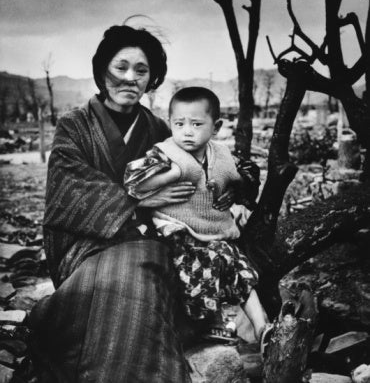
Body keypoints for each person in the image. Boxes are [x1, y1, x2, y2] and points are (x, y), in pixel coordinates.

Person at [28, 25, 234, 382]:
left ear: (152, 78)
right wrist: (140, 199)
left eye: (142, 70)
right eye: (120, 67)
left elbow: (200, 166)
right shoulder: (74, 126)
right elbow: (69, 189)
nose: (130, 78)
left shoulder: (157, 130)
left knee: (143, 271)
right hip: (85, 246)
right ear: (102, 70)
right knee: (127, 276)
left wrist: (234, 183)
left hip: (149, 241)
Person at [124, 87, 272, 350]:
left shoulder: (223, 154)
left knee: (240, 267)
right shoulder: (164, 153)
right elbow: (134, 184)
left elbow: (246, 180)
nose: (187, 131)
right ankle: (208, 323)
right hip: (176, 230)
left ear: (215, 127)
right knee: (206, 261)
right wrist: (173, 173)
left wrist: (238, 190)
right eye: (179, 124)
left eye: (196, 124)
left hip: (212, 229)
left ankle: (264, 330)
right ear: (170, 123)